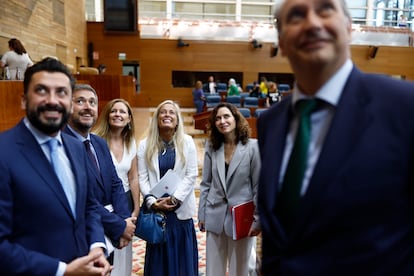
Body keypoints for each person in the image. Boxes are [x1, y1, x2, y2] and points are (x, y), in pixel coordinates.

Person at [257, 0, 414, 275]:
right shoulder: (271, 123)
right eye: (296, 16)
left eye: (325, 9)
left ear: (349, 27)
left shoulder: (404, 106)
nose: (313, 23)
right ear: (281, 42)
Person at [0, 57, 111, 275]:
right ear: (23, 100)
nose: (52, 100)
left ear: (69, 103)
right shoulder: (4, 152)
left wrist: (97, 246)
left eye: (61, 92)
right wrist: (62, 270)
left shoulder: (76, 148)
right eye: (41, 91)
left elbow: (88, 207)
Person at [63, 85, 137, 266]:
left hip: (110, 234)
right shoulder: (60, 144)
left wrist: (123, 221)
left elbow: (116, 184)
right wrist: (120, 226)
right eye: (80, 101)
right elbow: (80, 201)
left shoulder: (99, 143)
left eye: (92, 102)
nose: (87, 106)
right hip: (79, 237)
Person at [198, 102, 261, 276]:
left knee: (239, 270)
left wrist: (257, 219)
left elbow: (258, 185)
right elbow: (206, 183)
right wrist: (202, 214)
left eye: (226, 116)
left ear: (236, 118)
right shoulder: (211, 147)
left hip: (241, 217)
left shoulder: (253, 147)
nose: (222, 121)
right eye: (218, 118)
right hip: (214, 212)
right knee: (213, 269)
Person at [137, 100, 199, 276]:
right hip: (157, 213)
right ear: (157, 119)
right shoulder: (144, 144)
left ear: (177, 120)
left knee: (182, 265)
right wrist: (152, 202)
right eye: (163, 112)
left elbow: (191, 174)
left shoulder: (187, 142)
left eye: (171, 112)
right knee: (159, 266)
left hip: (180, 213)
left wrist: (174, 199)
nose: (167, 115)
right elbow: (142, 177)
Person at [93, 98, 141, 276]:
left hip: (125, 202)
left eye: (122, 112)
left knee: (124, 249)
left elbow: (133, 177)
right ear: (107, 115)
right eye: (114, 111)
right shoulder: (96, 140)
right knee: (105, 249)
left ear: (129, 119)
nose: (118, 115)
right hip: (103, 203)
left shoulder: (131, 142)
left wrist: (136, 208)